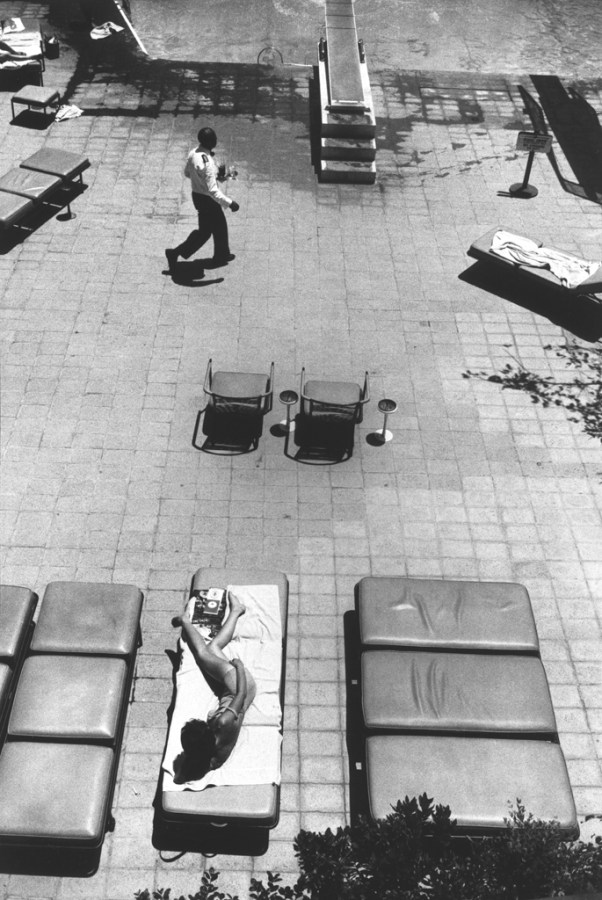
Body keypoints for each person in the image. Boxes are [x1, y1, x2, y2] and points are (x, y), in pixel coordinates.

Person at [171, 591, 256, 783]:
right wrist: (239, 667)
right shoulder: (224, 722)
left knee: (213, 648)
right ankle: (187, 621)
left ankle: (235, 611)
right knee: (203, 653)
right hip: (239, 686)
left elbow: (180, 776)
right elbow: (241, 694)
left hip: (233, 693)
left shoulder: (211, 759)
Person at [165, 126, 239, 275]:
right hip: (207, 199)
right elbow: (213, 191)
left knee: (217, 226)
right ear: (211, 142)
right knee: (206, 232)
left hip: (197, 196)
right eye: (215, 139)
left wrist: (205, 178)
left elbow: (187, 173)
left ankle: (222, 254)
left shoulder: (193, 153)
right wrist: (230, 203)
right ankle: (175, 253)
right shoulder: (209, 164)